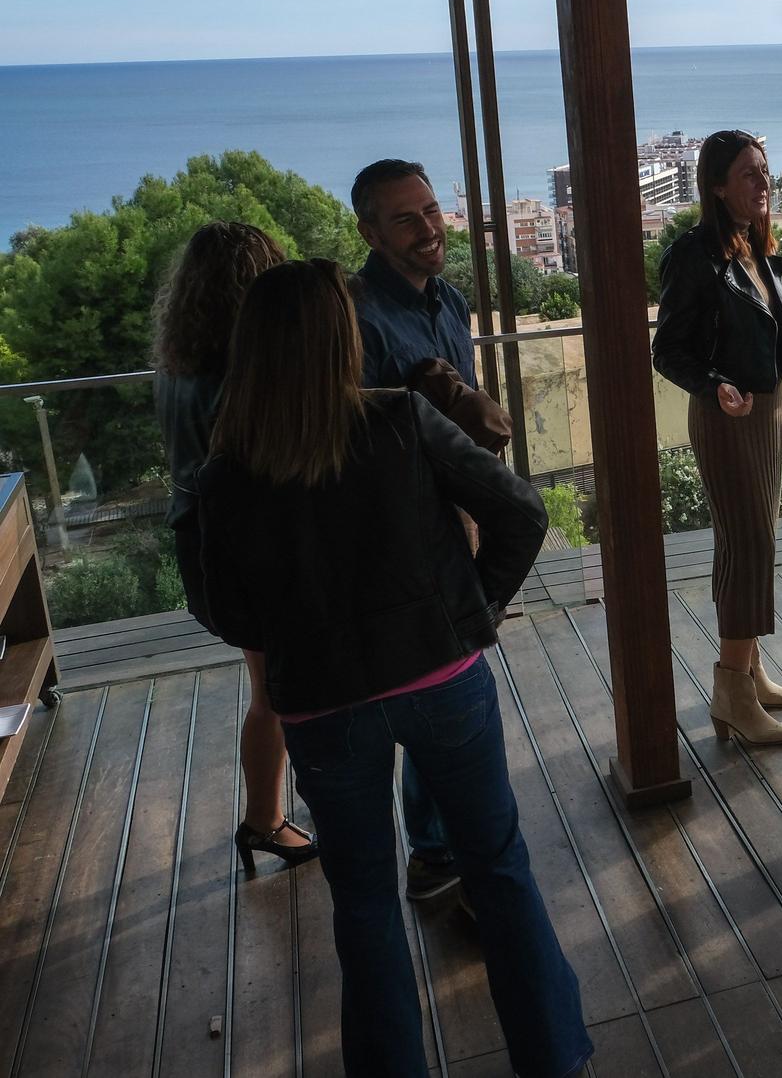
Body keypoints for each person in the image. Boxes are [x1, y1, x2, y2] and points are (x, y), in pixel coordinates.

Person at [197, 260, 589, 1077]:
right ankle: (555, 1061)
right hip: (441, 681)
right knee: (500, 868)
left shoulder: (227, 469)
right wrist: (466, 617)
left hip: (321, 709)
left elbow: (222, 607)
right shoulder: (398, 419)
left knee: (365, 903)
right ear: (343, 340)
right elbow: (519, 510)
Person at [653, 130, 782, 745]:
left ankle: (746, 672)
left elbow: (766, 335)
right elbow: (667, 351)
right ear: (717, 186)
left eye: (765, 171)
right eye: (748, 174)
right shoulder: (696, 255)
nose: (763, 182)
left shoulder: (754, 247)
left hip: (764, 410)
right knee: (747, 547)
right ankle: (732, 694)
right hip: (727, 418)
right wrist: (715, 385)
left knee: (755, 542)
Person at [153, 221, 318, 873]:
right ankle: (288, 815)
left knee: (271, 692)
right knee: (293, 692)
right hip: (254, 551)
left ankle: (264, 818)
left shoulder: (176, 367)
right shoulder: (239, 377)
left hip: (200, 543)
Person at [347, 158, 475, 902]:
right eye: (406, 218)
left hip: (451, 521)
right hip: (397, 536)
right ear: (369, 231)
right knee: (427, 692)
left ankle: (442, 842)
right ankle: (432, 852)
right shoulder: (359, 317)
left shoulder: (449, 300)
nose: (429, 228)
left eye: (431, 211)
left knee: (450, 685)